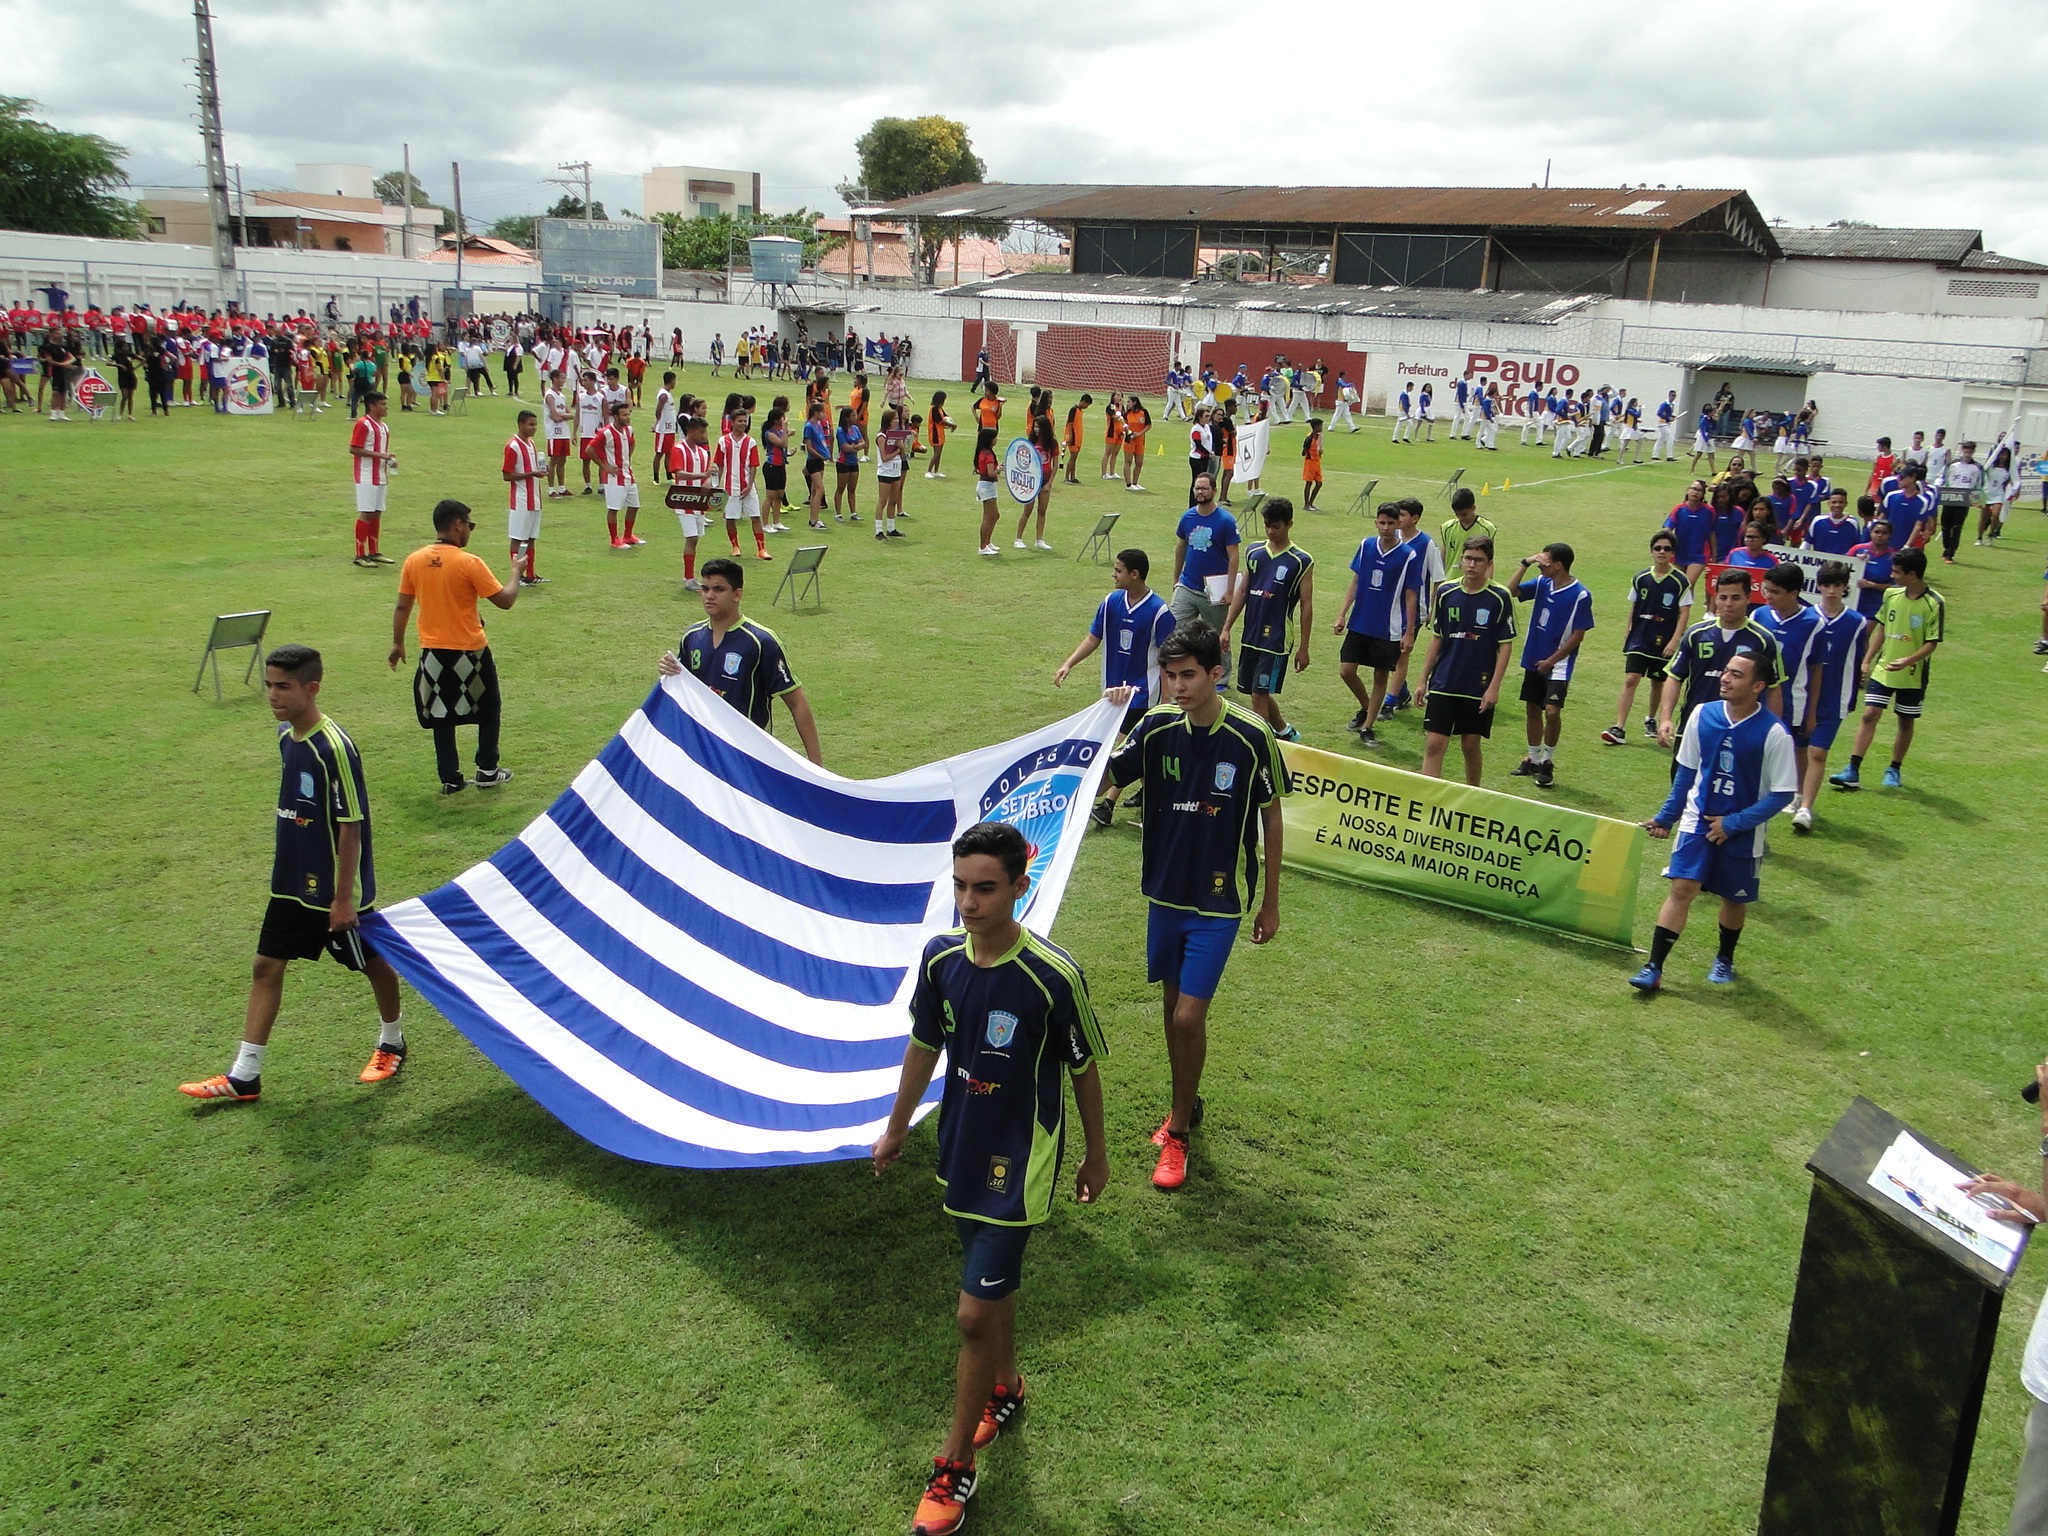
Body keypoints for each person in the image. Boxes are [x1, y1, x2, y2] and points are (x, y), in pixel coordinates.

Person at [870, 820, 1107, 1536]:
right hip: (961, 1147)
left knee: (972, 1313)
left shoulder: (1051, 976)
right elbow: (923, 1043)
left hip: (1020, 1163)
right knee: (987, 1282)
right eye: (961, 887)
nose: (969, 903)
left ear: (1018, 888)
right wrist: (895, 1126)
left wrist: (1097, 1154)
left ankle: (952, 1471)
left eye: (985, 888)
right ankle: (1004, 1390)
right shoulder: (941, 959)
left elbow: (1085, 1067)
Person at [1091, 622, 1283, 1192]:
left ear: (1215, 673)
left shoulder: (1251, 736)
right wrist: (1103, 722)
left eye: (1187, 675)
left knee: (1187, 1017)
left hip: (1218, 903)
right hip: (1164, 895)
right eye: (1169, 675)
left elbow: (1271, 815)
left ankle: (1177, 1134)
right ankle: (1185, 1102)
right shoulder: (1154, 725)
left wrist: (1271, 900)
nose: (1175, 686)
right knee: (1172, 1012)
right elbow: (1108, 775)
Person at [177, 644, 407, 1103]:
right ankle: (245, 1075)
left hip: (334, 891)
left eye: (283, 686)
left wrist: (343, 899)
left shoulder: (333, 747)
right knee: (266, 965)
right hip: (291, 884)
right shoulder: (287, 737)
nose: (272, 695)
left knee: (372, 964)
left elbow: (350, 824)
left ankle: (392, 1042)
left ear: (311, 687)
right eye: (268, 685)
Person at [1630, 651, 1796, 992]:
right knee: (1682, 888)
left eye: (1736, 675)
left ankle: (1724, 958)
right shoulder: (1702, 715)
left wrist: (1734, 824)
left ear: (1758, 686)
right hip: (1696, 822)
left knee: (1733, 897)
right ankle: (1654, 967)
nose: (1725, 678)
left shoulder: (1775, 733)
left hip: (1743, 832)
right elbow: (1686, 773)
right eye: (1726, 671)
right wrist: (1667, 817)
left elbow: (1782, 794)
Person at [389, 499, 521, 794]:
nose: (470, 532)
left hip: (432, 651)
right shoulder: (468, 562)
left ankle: (450, 777)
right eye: (469, 525)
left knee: (440, 713)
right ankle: (487, 769)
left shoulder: (414, 560)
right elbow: (505, 600)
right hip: (470, 650)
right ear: (457, 524)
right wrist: (516, 573)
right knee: (489, 707)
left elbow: (403, 606)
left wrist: (397, 643)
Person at [656, 558, 823, 762]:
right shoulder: (692, 636)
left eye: (718, 589)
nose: (709, 596)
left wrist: (817, 767)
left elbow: (797, 703)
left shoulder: (761, 641)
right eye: (705, 589)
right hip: (703, 748)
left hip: (748, 754)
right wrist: (668, 670)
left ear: (737, 594)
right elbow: (683, 691)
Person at [1829, 547, 1943, 791]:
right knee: (1870, 714)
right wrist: (1867, 659)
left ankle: (1894, 768)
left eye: (1897, 572)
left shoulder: (1934, 603)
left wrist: (1908, 660)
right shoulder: (1891, 595)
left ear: (1912, 574)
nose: (1892, 576)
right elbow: (1881, 628)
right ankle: (1852, 769)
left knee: (1905, 720)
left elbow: (1932, 642)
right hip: (1884, 669)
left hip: (1912, 675)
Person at [1414, 535, 1515, 784]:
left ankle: (1474, 796)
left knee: (1470, 745)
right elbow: (1437, 639)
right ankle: (1426, 800)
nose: (1472, 564)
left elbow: (1505, 646)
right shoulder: (1447, 592)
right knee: (1434, 745)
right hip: (1444, 680)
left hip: (1476, 685)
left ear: (1489, 563)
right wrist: (1422, 680)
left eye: (1478, 560)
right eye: (1468, 558)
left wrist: (1494, 688)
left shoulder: (1499, 597)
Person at [1658, 570, 1782, 767]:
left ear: (1748, 598)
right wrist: (1665, 718)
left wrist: (1773, 730)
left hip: (1740, 733)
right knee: (1683, 791)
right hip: (1693, 728)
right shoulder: (1696, 634)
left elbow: (1773, 688)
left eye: (1736, 598)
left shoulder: (1762, 640)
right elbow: (1674, 677)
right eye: (1723, 597)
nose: (1728, 604)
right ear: (1715, 598)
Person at [1056, 547, 1176, 750]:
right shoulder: (1110, 602)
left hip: (1141, 696)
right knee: (1130, 754)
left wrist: (1165, 698)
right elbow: (1094, 638)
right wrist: (1068, 664)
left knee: (1122, 751)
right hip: (1111, 693)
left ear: (1134, 574)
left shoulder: (1158, 611)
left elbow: (1167, 657)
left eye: (1119, 570)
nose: (1114, 574)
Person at [1221, 498, 1314, 741]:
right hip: (1251, 634)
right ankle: (1284, 731)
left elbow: (1306, 606)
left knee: (1258, 693)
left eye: (1276, 527)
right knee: (1256, 690)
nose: (1271, 532)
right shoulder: (1254, 552)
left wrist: (1303, 648)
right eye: (1267, 526)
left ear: (1289, 524)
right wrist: (1226, 628)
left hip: (1276, 637)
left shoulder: (1301, 561)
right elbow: (1242, 591)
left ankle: (1258, 744)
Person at [1505, 544, 1595, 787]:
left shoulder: (1580, 595)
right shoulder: (1542, 583)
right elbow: (1509, 592)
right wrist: (1525, 563)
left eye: (1544, 561)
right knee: (1532, 709)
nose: (1541, 565)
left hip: (1558, 663)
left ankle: (1547, 760)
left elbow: (1578, 635)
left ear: (1558, 565)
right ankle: (1533, 758)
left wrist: (1551, 661)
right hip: (1534, 657)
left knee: (1552, 711)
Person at [1333, 503, 1421, 749]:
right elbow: (1356, 579)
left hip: (1388, 628)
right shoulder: (1366, 546)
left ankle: (1367, 726)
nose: (1385, 528)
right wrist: (1342, 614)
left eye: (1390, 523)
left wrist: (1409, 631)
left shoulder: (1408, 555)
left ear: (1398, 524)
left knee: (1380, 675)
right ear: (1376, 522)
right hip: (1360, 621)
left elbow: (1411, 595)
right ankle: (1366, 706)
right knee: (1346, 670)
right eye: (1382, 522)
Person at [1789, 562, 1867, 834]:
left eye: (1837, 585)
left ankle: (1806, 808)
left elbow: (1857, 661)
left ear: (1846, 587)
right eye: (1827, 585)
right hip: (1804, 696)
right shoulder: (1808, 618)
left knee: (1818, 752)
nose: (1832, 591)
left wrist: (1854, 693)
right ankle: (1798, 793)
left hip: (1834, 699)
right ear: (1819, 586)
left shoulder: (1857, 622)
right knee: (1799, 749)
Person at [1603, 532, 1692, 747]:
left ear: (1672, 554)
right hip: (1639, 638)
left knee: (1657, 682)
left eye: (1667, 549)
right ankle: (1619, 727)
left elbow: (1684, 612)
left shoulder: (1680, 581)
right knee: (1631, 679)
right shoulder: (1641, 578)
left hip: (1663, 640)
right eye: (1658, 548)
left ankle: (1651, 719)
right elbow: (1634, 607)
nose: (1662, 552)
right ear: (1651, 552)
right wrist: (1628, 631)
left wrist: (1674, 640)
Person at [1169, 472, 1241, 668]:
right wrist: (1176, 579)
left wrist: (1230, 590)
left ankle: (1222, 675)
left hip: (1214, 592)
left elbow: (1234, 556)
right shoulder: (1188, 517)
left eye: (1204, 488)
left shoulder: (1225, 521)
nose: (1200, 492)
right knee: (1174, 629)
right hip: (1188, 585)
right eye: (1197, 488)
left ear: (1214, 491)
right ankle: (1179, 668)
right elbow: (1181, 546)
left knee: (1218, 636)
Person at [348, 391, 395, 567]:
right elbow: (354, 448)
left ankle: (374, 551)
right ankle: (360, 554)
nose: (385, 407)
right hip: (366, 475)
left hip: (381, 475)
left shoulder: (383, 427)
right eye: (382, 404)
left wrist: (388, 460)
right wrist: (381, 455)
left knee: (377, 512)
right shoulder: (363, 424)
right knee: (366, 512)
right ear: (372, 406)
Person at [717, 409, 771, 561]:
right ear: (732, 422)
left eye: (745, 421)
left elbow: (754, 465)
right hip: (729, 487)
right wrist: (716, 485)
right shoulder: (723, 441)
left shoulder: (750, 442)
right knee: (730, 518)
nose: (743, 423)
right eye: (740, 421)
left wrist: (750, 485)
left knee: (755, 516)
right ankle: (735, 546)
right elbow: (719, 464)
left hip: (747, 487)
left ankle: (761, 548)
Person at [592, 398, 644, 549]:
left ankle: (628, 535)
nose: (628, 417)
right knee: (614, 508)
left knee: (634, 506)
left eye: (628, 414)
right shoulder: (606, 433)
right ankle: (614, 539)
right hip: (613, 477)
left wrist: (627, 458)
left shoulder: (629, 430)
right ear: (616, 416)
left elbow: (632, 442)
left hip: (628, 474)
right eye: (624, 415)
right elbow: (590, 449)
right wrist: (605, 466)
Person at [503, 408, 546, 586]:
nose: (534, 428)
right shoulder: (513, 446)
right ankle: (517, 576)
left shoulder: (531, 444)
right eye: (531, 424)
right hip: (521, 500)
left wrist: (541, 471)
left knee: (531, 538)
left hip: (535, 499)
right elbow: (507, 475)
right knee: (518, 538)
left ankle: (530, 573)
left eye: (535, 425)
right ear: (521, 424)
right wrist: (531, 474)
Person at [1934, 439, 1983, 563]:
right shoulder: (1952, 465)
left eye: (1970, 452)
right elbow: (1942, 478)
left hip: (1964, 500)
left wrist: (1978, 500)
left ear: (1973, 452)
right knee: (1945, 525)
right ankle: (1946, 548)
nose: (1967, 454)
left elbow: (1980, 485)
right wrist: (1938, 489)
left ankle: (1951, 553)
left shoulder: (1977, 467)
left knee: (1957, 526)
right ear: (1962, 451)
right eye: (1965, 451)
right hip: (1950, 497)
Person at [1663, 480, 1715, 587]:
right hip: (1679, 553)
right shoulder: (1678, 509)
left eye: (1699, 490)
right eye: (1694, 489)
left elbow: (1712, 533)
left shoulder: (1709, 511)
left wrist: (1714, 555)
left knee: (1688, 584)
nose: (1696, 493)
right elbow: (1668, 529)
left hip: (1699, 554)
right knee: (1677, 585)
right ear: (1688, 490)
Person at [1849, 513, 1898, 617]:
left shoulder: (1894, 557)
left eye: (1884, 533)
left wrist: (1872, 585)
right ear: (1870, 533)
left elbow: (1896, 586)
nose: (1880, 535)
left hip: (1876, 604)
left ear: (1889, 535)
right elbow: (1841, 568)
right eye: (1877, 532)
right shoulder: (1857, 549)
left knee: (1865, 633)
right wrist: (1855, 560)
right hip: (1853, 600)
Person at [973, 428, 1003, 556]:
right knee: (989, 516)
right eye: (995, 437)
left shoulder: (982, 452)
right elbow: (991, 472)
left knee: (993, 515)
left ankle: (987, 542)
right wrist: (999, 469)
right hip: (987, 486)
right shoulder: (988, 454)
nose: (996, 439)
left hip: (986, 486)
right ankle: (983, 546)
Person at [926, 390, 957, 479]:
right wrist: (952, 425)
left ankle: (936, 471)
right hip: (935, 433)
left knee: (939, 453)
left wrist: (951, 423)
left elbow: (945, 417)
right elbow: (940, 420)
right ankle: (928, 471)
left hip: (940, 433)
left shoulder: (939, 408)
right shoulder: (934, 409)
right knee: (936, 453)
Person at [1299, 418, 1324, 510]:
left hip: (1317, 462)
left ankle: (1311, 503)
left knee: (1319, 483)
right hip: (1310, 462)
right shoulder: (1309, 438)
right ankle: (1306, 504)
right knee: (1309, 483)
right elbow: (1303, 452)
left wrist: (1319, 452)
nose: (1321, 428)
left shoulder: (1319, 437)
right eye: (1320, 426)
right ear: (1315, 427)